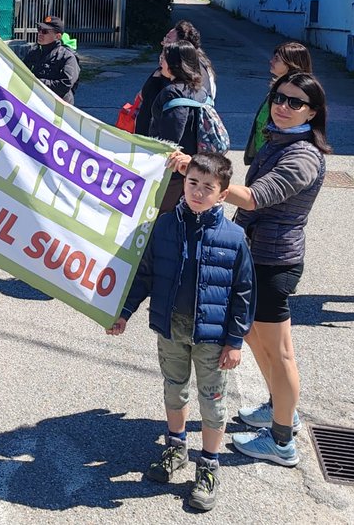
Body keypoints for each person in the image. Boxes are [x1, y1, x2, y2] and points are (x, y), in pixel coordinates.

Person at [174, 71, 330, 468]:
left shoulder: (304, 155)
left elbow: (256, 198)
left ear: (313, 111)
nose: (283, 106)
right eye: (280, 98)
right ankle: (281, 408)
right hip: (257, 255)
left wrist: (197, 172)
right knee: (259, 342)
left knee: (279, 354)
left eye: (295, 103)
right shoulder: (281, 140)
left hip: (274, 261)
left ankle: (281, 441)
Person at [106, 152, 254, 512]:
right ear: (184, 184)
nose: (198, 192)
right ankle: (175, 447)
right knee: (174, 389)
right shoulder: (165, 226)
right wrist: (124, 311)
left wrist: (234, 341)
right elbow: (145, 275)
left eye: (208, 187)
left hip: (213, 337)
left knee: (212, 401)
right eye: (193, 184)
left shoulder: (234, 237)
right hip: (171, 328)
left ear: (222, 194)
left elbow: (245, 292)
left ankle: (208, 466)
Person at [148, 41, 210, 212]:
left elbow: (171, 138)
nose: (161, 61)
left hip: (174, 171)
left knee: (163, 217)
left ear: (175, 64)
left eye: (165, 58)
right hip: (193, 165)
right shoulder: (200, 90)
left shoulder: (173, 92)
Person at [135, 20, 217, 136]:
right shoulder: (178, 71)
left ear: (182, 46)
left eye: (168, 40)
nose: (163, 43)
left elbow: (173, 132)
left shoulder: (178, 86)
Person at [244, 42, 314, 164]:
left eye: (277, 59)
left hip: (276, 156)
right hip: (264, 153)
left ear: (291, 63)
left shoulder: (300, 93)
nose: (271, 61)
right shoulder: (278, 88)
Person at [22, 14, 80, 103]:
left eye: (45, 31)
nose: (40, 33)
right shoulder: (34, 52)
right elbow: (22, 71)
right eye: (39, 29)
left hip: (57, 106)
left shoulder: (67, 56)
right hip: (35, 102)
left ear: (58, 36)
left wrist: (38, 82)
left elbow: (65, 84)